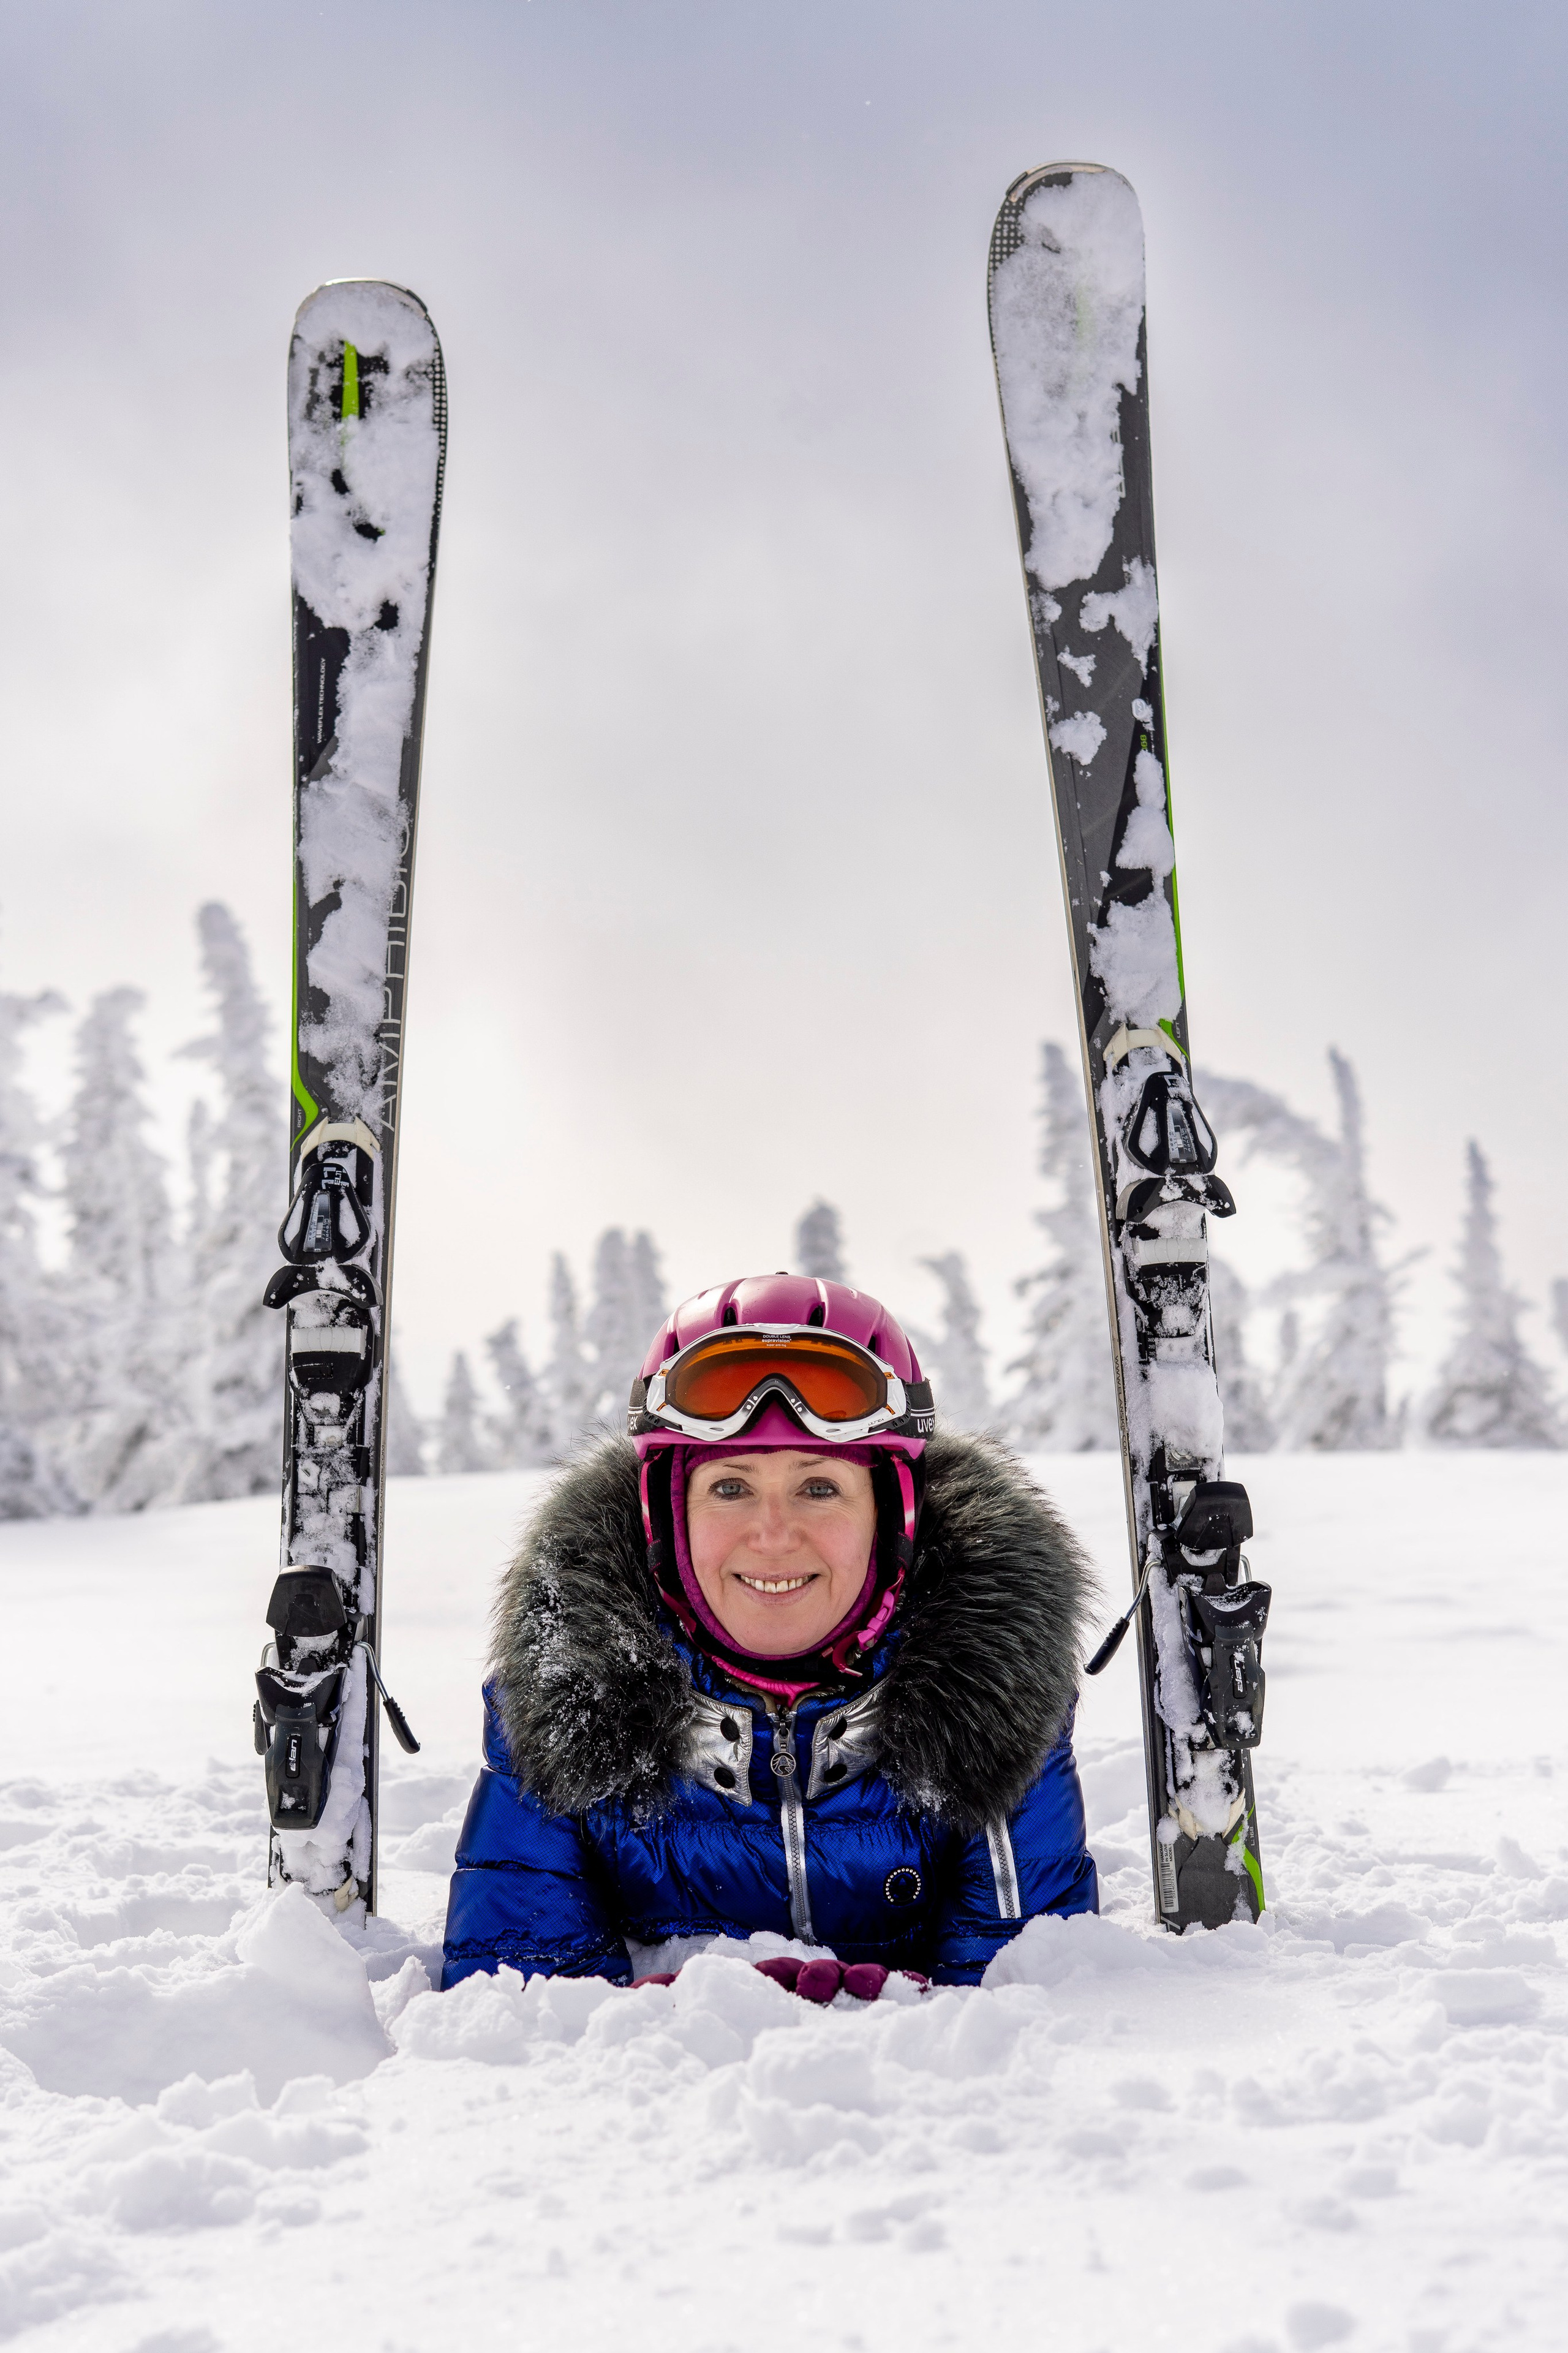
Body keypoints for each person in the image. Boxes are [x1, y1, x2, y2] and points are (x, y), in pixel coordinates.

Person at [441, 1274, 1098, 1993]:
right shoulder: (564, 1697)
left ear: (892, 1515)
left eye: (820, 1487)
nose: (773, 1535)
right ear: (668, 1515)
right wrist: (674, 2033)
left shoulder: (993, 1693)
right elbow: (515, 2013)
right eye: (730, 1487)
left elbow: (1026, 2007)